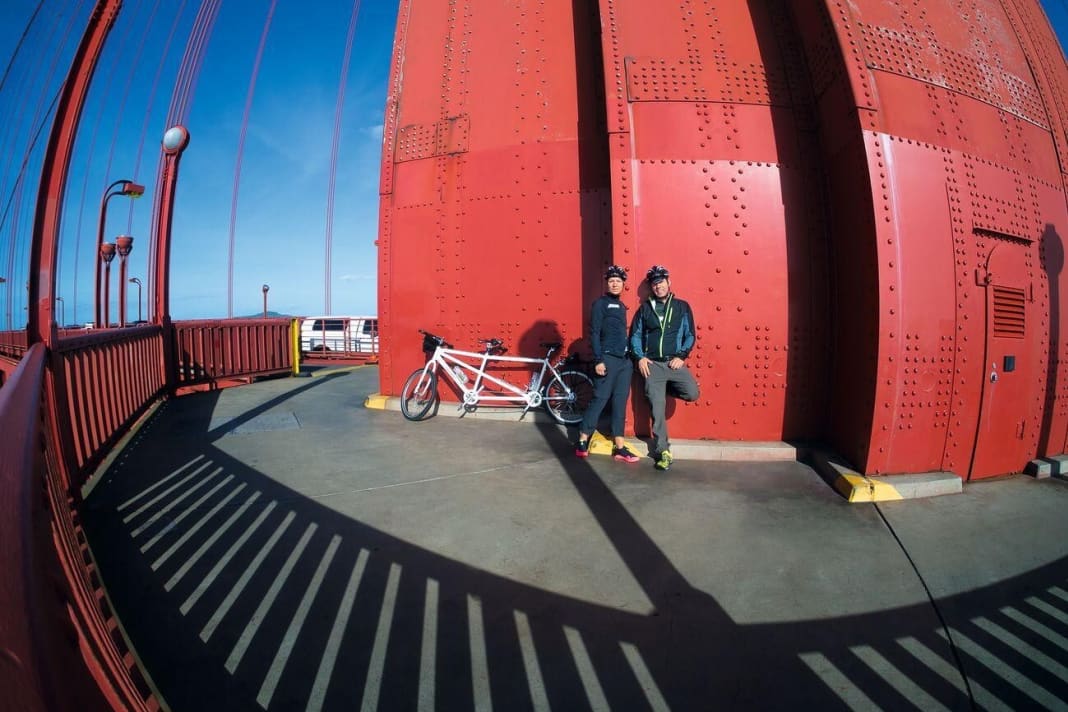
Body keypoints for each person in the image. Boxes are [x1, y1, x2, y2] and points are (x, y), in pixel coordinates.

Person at [629, 265, 700, 471]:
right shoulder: (644, 309)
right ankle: (663, 451)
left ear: (669, 283)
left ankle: (658, 390)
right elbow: (635, 335)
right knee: (657, 410)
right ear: (651, 287)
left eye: (661, 282)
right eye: (654, 283)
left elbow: (690, 334)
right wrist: (640, 358)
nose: (658, 286)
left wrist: (682, 355)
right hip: (653, 365)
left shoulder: (681, 307)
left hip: (673, 362)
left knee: (692, 393)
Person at [575, 265, 641, 463]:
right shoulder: (600, 304)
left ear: (623, 285)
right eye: (612, 281)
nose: (615, 284)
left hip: (624, 362)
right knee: (600, 399)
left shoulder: (620, 306)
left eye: (618, 281)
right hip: (607, 359)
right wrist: (598, 359)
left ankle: (620, 447)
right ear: (607, 283)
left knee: (620, 403)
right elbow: (594, 333)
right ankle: (582, 440)